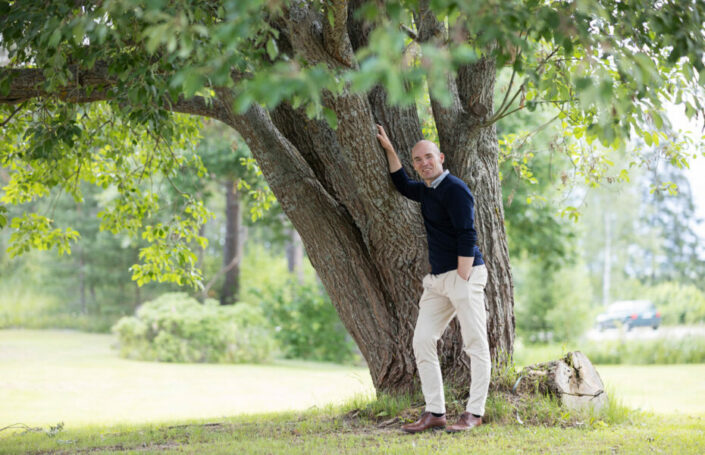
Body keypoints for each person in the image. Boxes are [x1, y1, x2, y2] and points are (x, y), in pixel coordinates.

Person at [376, 124, 490, 433]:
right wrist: (389, 151)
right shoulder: (427, 190)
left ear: (439, 157)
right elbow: (402, 185)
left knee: (475, 344)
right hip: (438, 280)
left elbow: (468, 234)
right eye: (418, 160)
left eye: (429, 157)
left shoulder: (455, 188)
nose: (424, 163)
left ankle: (474, 413)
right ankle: (435, 412)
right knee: (423, 340)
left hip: (464, 274)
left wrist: (462, 278)